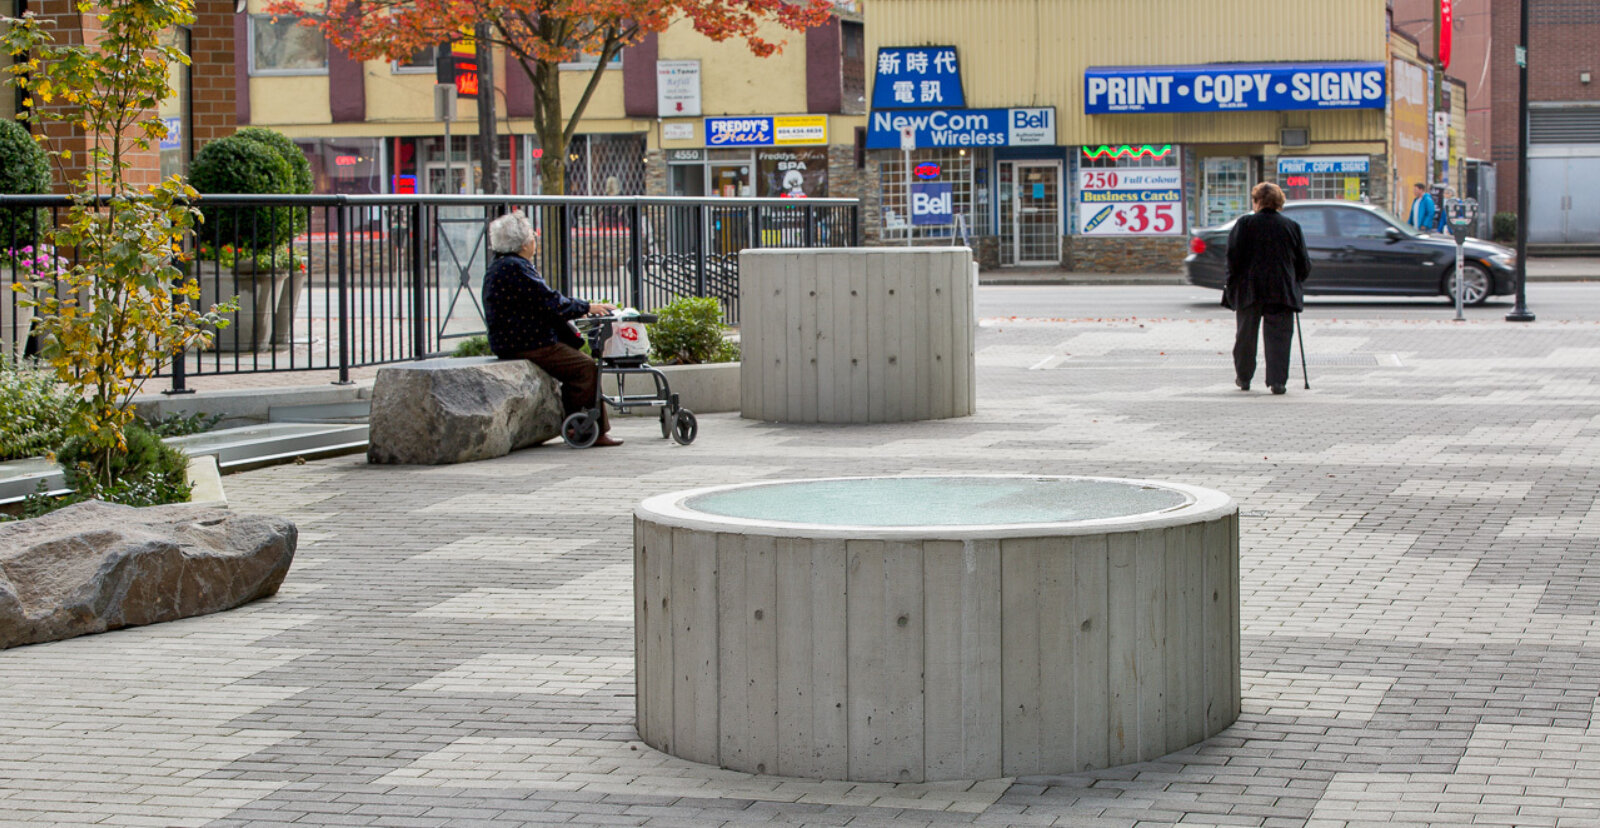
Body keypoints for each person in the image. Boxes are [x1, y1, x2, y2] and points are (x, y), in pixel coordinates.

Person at [483, 211, 622, 447]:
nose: (535, 241)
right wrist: (588, 307)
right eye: (532, 237)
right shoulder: (516, 267)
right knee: (585, 367)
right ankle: (589, 431)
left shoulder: (501, 265)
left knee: (578, 360)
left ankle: (582, 424)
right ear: (524, 243)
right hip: (528, 342)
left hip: (513, 339)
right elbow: (550, 301)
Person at [1223, 182, 1310, 395]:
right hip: (1281, 289)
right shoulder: (1291, 226)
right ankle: (1277, 381)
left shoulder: (1245, 224)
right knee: (1279, 337)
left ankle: (1244, 377)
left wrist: (1231, 282)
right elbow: (1304, 263)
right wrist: (1296, 280)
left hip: (1249, 288)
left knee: (1245, 336)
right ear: (1279, 202)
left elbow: (1233, 257)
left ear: (1257, 201)